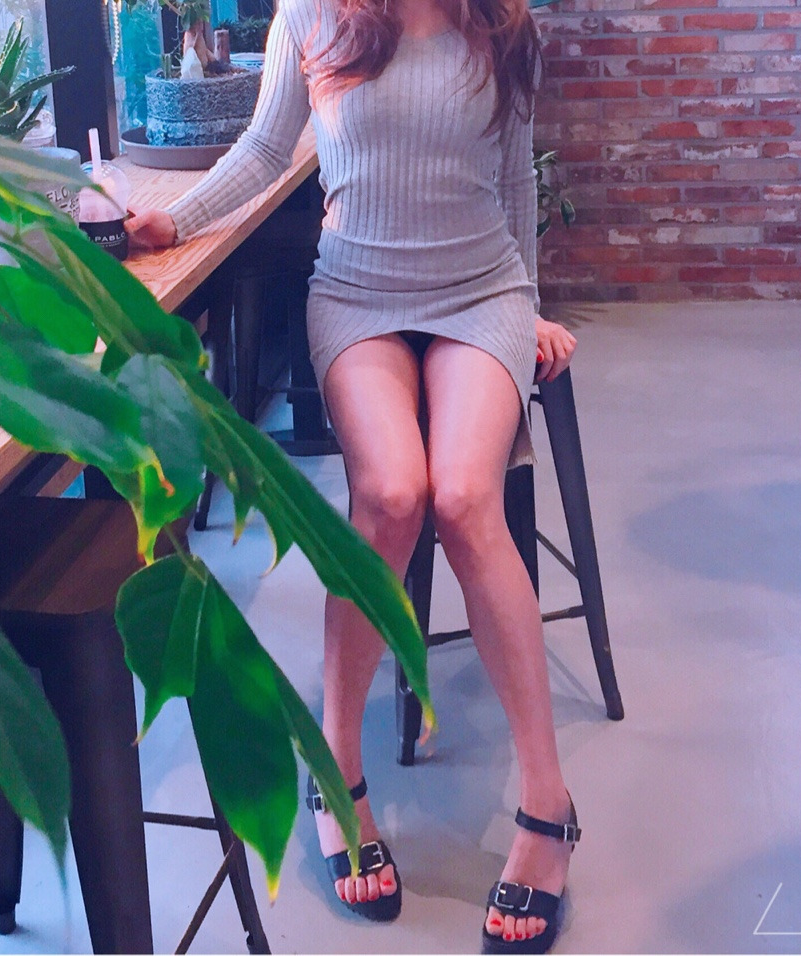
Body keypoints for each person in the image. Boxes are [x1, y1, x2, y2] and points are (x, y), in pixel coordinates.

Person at [128, 0, 579, 949]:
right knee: (390, 494)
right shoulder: (313, 15)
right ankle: (337, 774)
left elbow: (515, 179)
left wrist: (532, 305)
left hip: (481, 292)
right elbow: (263, 150)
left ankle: (549, 803)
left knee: (466, 497)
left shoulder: (500, 21)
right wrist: (174, 218)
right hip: (359, 294)